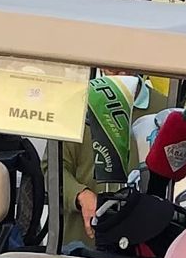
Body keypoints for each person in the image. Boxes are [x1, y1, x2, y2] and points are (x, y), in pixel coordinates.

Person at [60, 76, 140, 248]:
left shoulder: (161, 106)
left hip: (139, 245)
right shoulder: (79, 105)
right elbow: (52, 169)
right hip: (82, 244)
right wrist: (80, 194)